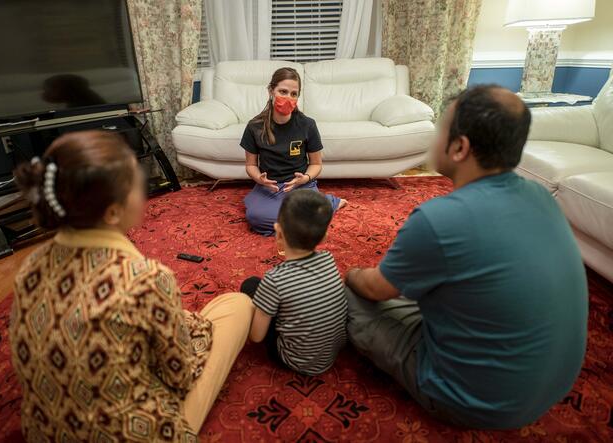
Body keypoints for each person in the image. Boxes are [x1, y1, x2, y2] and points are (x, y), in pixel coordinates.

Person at [345, 85, 588, 429]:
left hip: (472, 401)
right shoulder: (541, 194)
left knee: (347, 293)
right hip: (550, 389)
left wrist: (351, 272)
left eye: (440, 127)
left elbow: (374, 288)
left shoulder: (438, 219)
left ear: (460, 147)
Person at [9, 131, 253, 441]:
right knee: (237, 305)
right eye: (135, 183)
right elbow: (181, 374)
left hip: (46, 432)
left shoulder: (29, 267)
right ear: (112, 211)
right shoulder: (145, 278)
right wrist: (195, 329)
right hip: (136, 432)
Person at [240, 190, 347, 375]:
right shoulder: (329, 259)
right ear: (324, 237)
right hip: (330, 355)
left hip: (295, 361)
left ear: (279, 233)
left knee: (249, 285)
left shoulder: (274, 279)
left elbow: (256, 337)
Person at [241, 67, 347, 236]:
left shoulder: (308, 124)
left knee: (306, 216)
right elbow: (251, 165)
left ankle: (328, 202)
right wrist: (259, 179)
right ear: (271, 91)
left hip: (300, 185)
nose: (288, 98)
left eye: (294, 94)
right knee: (256, 218)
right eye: (283, 91)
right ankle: (305, 216)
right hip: (270, 187)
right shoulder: (254, 126)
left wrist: (305, 178)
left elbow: (316, 163)